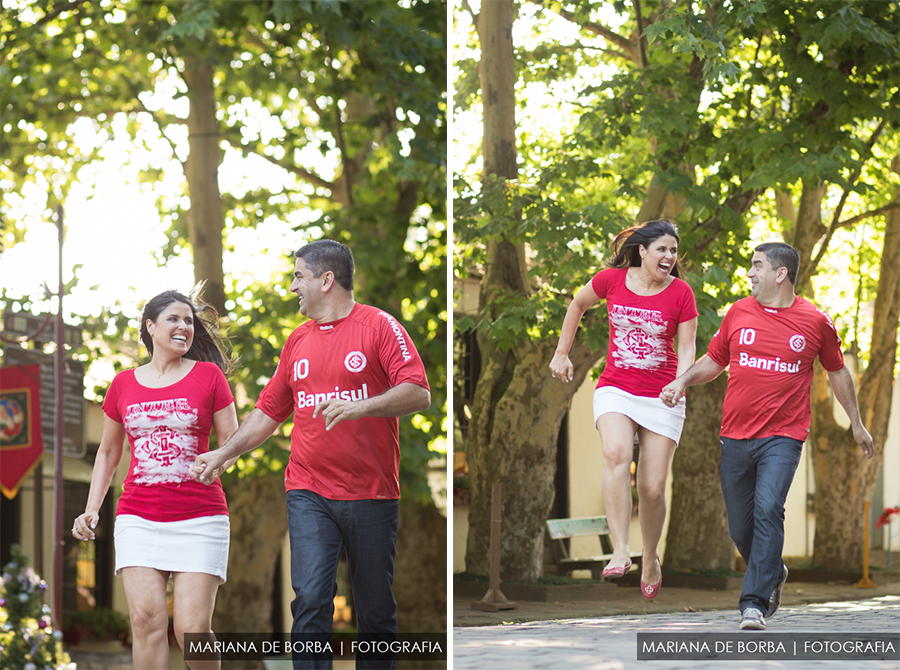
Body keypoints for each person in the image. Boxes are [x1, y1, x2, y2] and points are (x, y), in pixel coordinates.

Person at [190, 239, 431, 669]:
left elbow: (417, 391)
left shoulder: (379, 326)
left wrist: (362, 407)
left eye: (298, 276)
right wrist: (225, 451)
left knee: (374, 610)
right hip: (308, 491)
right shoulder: (297, 342)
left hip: (372, 493)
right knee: (312, 599)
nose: (292, 285)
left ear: (326, 279)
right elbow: (268, 411)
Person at [660, 241, 874, 631]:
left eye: (757, 266)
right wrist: (682, 382)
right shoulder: (739, 312)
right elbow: (714, 360)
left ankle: (753, 604)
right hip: (735, 435)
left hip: (784, 436)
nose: (750, 273)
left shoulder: (815, 321)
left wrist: (856, 423)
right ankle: (773, 568)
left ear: (780, 273)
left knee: (768, 508)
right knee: (740, 527)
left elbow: (837, 370)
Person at [72, 289, 239, 669]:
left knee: (192, 629)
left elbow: (232, 442)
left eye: (189, 321)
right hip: (139, 517)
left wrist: (217, 460)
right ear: (150, 326)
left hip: (200, 517)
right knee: (145, 621)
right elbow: (109, 452)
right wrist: (91, 509)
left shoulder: (209, 376)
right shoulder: (122, 384)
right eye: (174, 319)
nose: (184, 326)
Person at [549, 219, 698, 600]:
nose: (669, 256)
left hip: (663, 393)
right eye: (662, 249)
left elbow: (686, 349)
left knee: (650, 487)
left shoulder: (681, 293)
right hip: (617, 386)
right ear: (643, 251)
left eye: (674, 250)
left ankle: (649, 556)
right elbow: (578, 304)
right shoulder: (611, 280)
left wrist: (679, 383)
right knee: (614, 453)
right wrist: (561, 353)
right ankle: (619, 549)